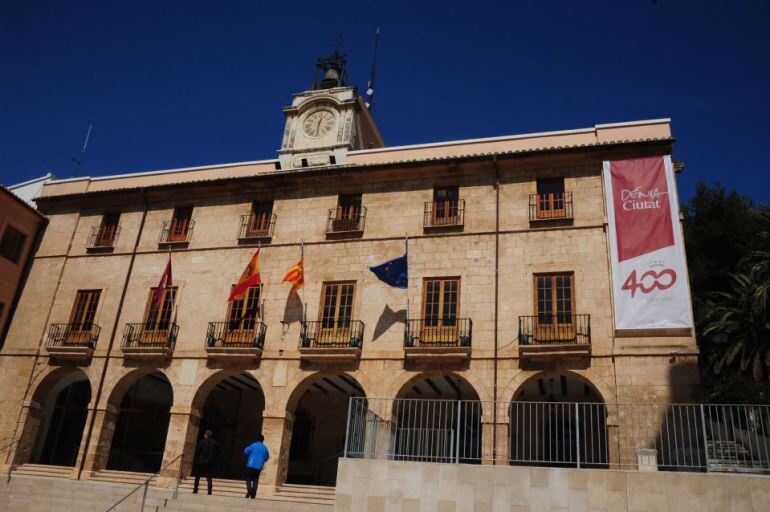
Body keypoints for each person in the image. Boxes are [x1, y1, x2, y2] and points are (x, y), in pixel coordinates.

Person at [243, 434, 269, 499]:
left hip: (251, 464)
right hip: (259, 466)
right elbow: (266, 457)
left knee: (248, 477)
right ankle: (253, 494)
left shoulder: (253, 445)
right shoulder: (265, 448)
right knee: (255, 479)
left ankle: (250, 490)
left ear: (257, 439)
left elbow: (246, 451)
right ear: (263, 440)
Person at [193, 430, 218, 495]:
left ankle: (195, 489)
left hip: (201, 461)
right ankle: (209, 491)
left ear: (206, 435)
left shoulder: (202, 442)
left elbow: (198, 450)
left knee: (197, 476)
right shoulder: (215, 443)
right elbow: (216, 452)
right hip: (210, 462)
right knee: (209, 477)